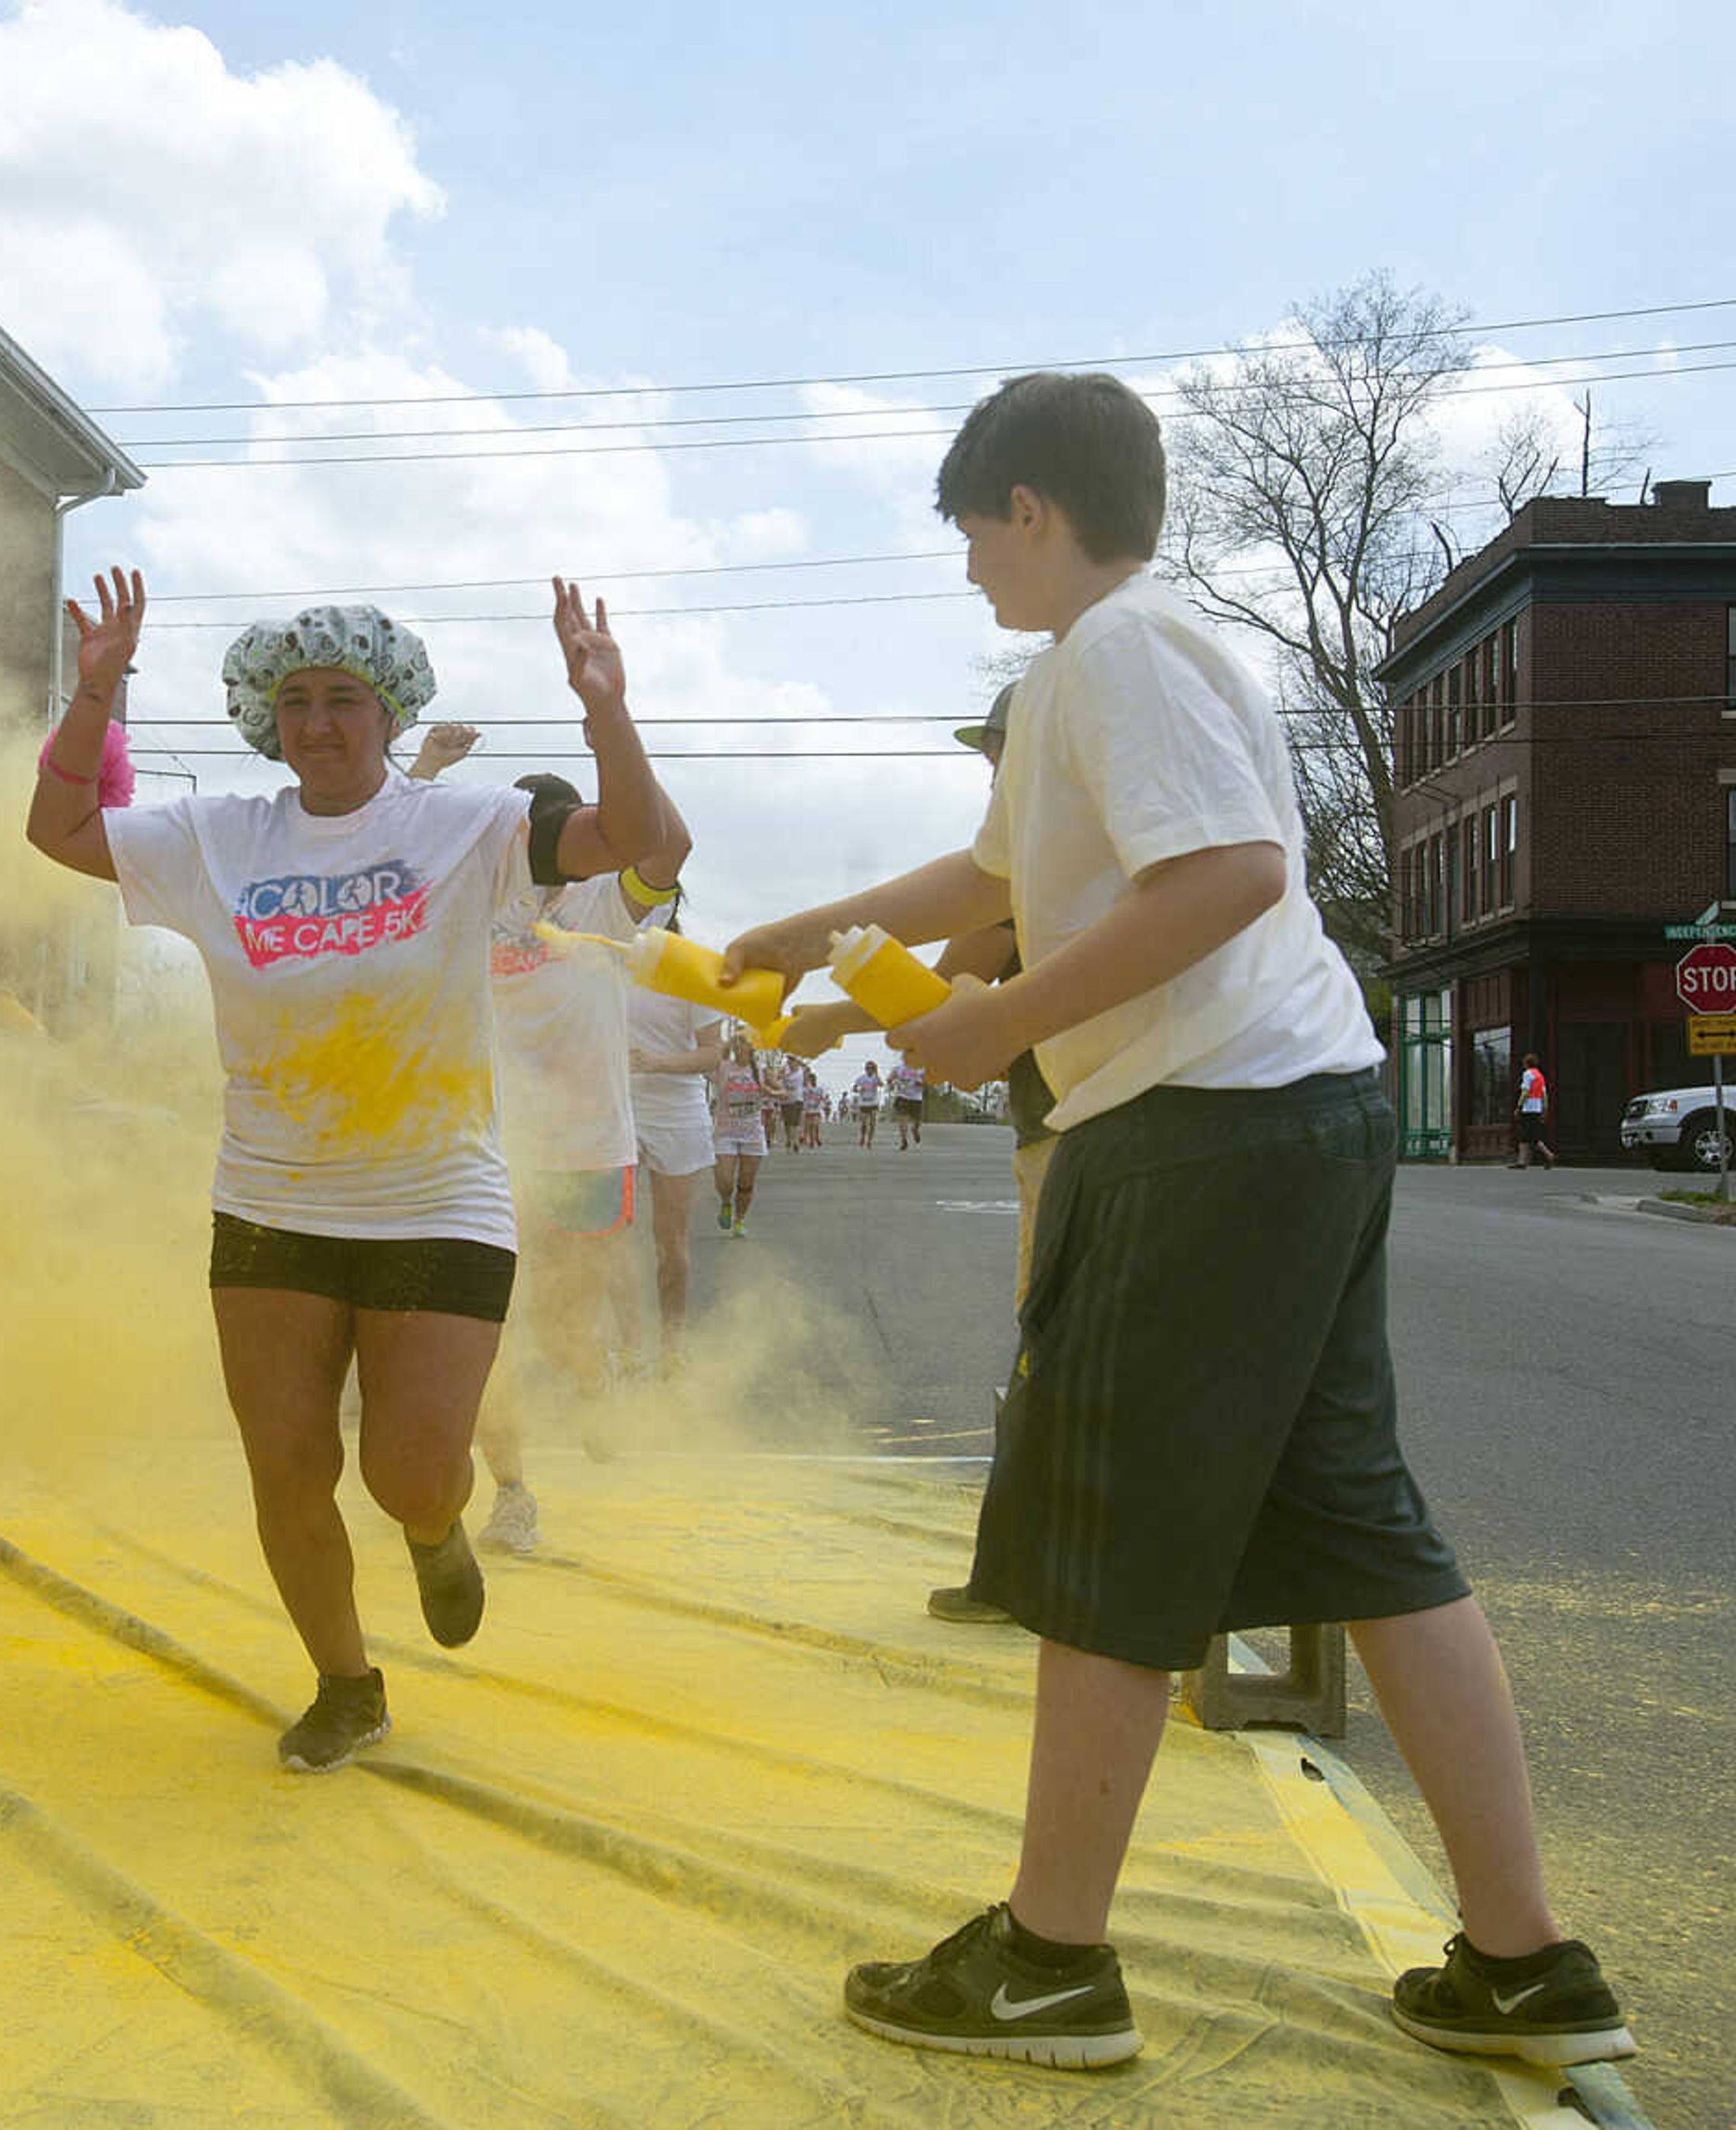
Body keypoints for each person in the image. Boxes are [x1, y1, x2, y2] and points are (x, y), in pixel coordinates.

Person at [726, 371, 1631, 2071]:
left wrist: (994, 1028)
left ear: (1031, 511)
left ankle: (1055, 1957)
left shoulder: (1114, 654)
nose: (971, 571)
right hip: (1297, 1111)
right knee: (1361, 1529)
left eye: (973, 536)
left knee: (1105, 1531)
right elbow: (991, 884)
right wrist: (807, 949)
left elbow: (1225, 876)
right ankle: (1527, 1962)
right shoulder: (1095, 671)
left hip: (1204, 1128)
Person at [29, 572, 672, 1772]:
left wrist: (605, 709)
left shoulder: (466, 824)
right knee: (289, 1465)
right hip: (270, 1200)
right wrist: (95, 696)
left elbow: (633, 841)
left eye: (344, 699)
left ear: (390, 712)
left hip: (437, 1197)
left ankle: (436, 1528)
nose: (317, 723)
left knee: (408, 1469)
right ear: (266, 721)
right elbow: (57, 833)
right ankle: (346, 1682)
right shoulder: (219, 834)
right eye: (295, 703)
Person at [782, 685, 1052, 1625]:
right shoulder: (1092, 837)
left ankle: (1027, 1574)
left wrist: (826, 1011)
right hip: (1117, 1119)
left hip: (1077, 1132)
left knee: (1055, 1340)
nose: (991, 773)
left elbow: (940, 989)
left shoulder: (1044, 849)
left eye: (998, 754)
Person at [411, 723, 691, 1546]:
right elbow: (397, 851)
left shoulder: (608, 903)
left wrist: (612, 726)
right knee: (484, 1328)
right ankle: (513, 1493)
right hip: (487, 1148)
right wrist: (427, 769)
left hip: (587, 1147)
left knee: (567, 1326)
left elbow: (671, 845)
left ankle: (595, 1380)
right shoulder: (474, 900)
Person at [622, 918, 722, 1353]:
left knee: (670, 1243)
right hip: (616, 1111)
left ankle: (672, 1343)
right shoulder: (605, 959)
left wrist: (656, 1063)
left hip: (677, 1114)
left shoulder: (693, 972)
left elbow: (713, 1053)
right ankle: (626, 1347)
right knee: (609, 1239)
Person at [710, 1030, 768, 1232]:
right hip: (726, 1132)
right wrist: (726, 1045)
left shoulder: (760, 1071)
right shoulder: (723, 1068)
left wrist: (771, 1091)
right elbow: (710, 1062)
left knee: (746, 1184)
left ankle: (740, 1219)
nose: (740, 1048)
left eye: (744, 1043)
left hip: (752, 1134)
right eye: (737, 1044)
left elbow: (784, 1093)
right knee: (725, 1180)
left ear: (751, 1048)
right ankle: (726, 1203)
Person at [1511, 1053, 1555, 1168]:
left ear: (1526, 1064)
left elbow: (1525, 1092)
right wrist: (1545, 1109)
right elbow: (1544, 1095)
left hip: (1528, 1108)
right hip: (1537, 1108)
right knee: (1532, 1136)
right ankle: (1546, 1156)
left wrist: (1519, 1106)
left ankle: (1523, 1162)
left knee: (1524, 1136)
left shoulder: (1527, 1074)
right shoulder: (1540, 1076)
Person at [851, 1060, 883, 1147]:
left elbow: (881, 1085)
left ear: (874, 1069)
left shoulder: (876, 1077)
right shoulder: (861, 1078)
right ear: (865, 1069)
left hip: (874, 1103)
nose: (869, 1070)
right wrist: (859, 1090)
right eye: (867, 1068)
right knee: (864, 1123)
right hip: (864, 1103)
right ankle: (863, 1137)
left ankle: (869, 1140)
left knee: (873, 1123)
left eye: (871, 1068)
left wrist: (877, 1074)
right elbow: (854, 1089)